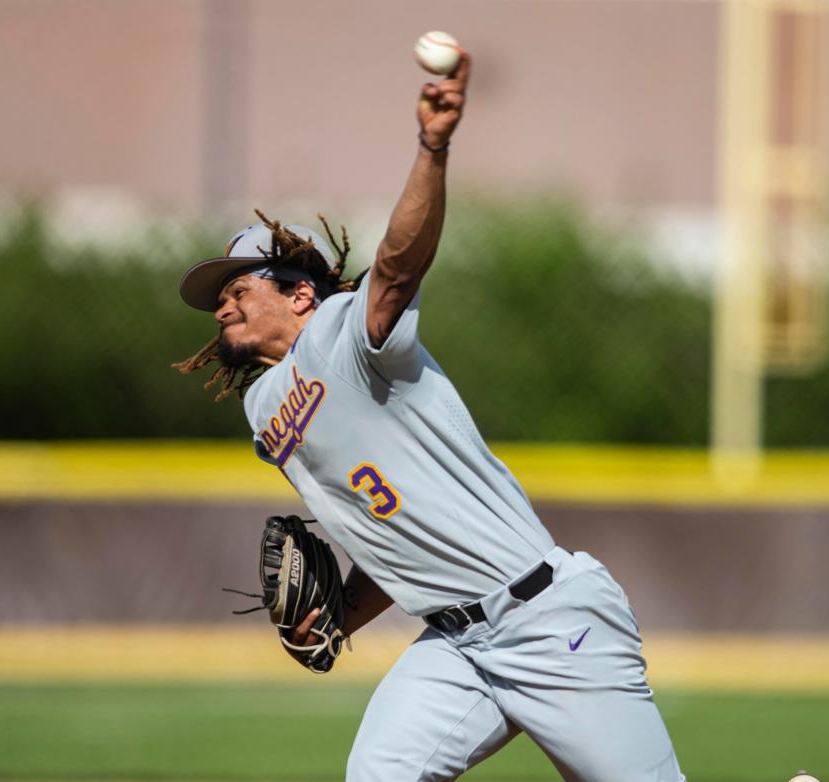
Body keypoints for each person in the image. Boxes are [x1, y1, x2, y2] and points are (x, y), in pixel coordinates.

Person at [175, 50, 685, 782]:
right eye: (216, 293)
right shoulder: (264, 410)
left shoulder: (345, 331)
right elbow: (395, 536)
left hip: (547, 621)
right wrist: (343, 612)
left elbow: (399, 264)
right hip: (455, 647)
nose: (223, 300)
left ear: (300, 295)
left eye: (241, 284)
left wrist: (432, 146)